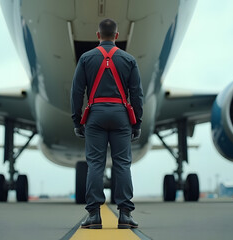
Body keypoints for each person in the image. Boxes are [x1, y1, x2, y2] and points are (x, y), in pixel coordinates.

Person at [70, 18, 144, 229]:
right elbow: (137, 94)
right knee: (122, 164)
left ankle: (94, 215)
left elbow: (76, 92)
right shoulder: (129, 60)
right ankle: (125, 214)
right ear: (117, 36)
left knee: (95, 164)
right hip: (121, 115)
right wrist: (136, 123)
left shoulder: (86, 58)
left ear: (98, 35)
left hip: (95, 115)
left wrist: (77, 120)